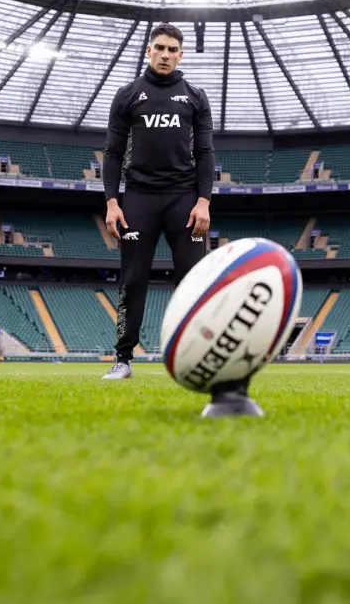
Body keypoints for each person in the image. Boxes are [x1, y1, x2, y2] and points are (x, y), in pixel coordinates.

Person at [99, 23, 260, 417]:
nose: (166, 54)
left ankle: (205, 356)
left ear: (181, 54)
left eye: (173, 49)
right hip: (138, 198)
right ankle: (123, 359)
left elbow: (205, 154)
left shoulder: (195, 97)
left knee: (195, 280)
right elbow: (113, 153)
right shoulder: (127, 96)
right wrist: (112, 202)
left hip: (184, 200)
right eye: (159, 48)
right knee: (133, 278)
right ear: (148, 51)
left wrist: (204, 201)